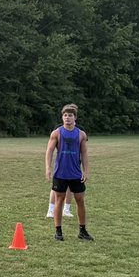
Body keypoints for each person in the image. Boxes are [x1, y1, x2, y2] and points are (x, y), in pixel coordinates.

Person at [44, 103, 93, 242]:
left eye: (70, 115)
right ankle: (58, 231)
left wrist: (86, 171)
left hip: (76, 174)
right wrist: (48, 168)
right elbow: (49, 151)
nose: (67, 118)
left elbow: (84, 153)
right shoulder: (57, 133)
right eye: (65, 115)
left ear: (75, 118)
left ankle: (82, 231)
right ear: (62, 117)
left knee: (80, 201)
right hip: (60, 173)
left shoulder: (81, 134)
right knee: (59, 200)